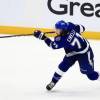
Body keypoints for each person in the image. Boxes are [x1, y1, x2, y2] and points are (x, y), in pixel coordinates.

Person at [33, 20, 99, 91]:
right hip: (71, 52)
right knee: (62, 67)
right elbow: (82, 28)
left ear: (63, 30)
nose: (55, 30)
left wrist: (43, 37)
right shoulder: (70, 26)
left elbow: (52, 45)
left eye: (57, 29)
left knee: (91, 75)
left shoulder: (63, 40)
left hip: (84, 53)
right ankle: (53, 82)